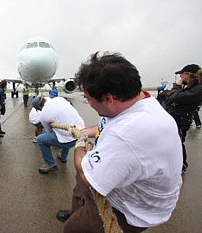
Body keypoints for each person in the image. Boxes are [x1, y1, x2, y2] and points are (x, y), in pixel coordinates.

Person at [57, 52, 182, 233]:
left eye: (88, 98)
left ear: (108, 99)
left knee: (72, 229)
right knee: (80, 188)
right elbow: (104, 126)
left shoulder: (127, 134)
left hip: (131, 209)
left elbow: (87, 177)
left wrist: (80, 145)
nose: (89, 103)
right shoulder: (139, 101)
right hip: (135, 187)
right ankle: (79, 208)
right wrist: (86, 132)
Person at [163, 64, 202, 173]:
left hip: (182, 118)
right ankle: (179, 164)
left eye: (182, 75)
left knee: (178, 141)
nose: (181, 78)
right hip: (180, 116)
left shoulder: (198, 88)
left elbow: (174, 97)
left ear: (188, 74)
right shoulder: (192, 87)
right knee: (177, 140)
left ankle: (182, 165)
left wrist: (177, 86)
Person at [33, 96, 85, 174]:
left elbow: (49, 131)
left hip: (69, 140)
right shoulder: (59, 99)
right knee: (63, 133)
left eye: (38, 109)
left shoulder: (43, 115)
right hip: (81, 133)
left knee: (41, 140)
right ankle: (63, 157)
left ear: (40, 107)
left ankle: (50, 164)